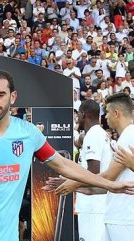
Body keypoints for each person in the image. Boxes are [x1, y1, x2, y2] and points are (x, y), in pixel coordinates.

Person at [0, 70, 133, 241]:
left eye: (1, 94)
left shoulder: (28, 133)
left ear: (12, 96)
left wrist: (110, 185)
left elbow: (63, 165)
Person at [52, 93, 134, 241]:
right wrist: (75, 186)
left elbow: (107, 176)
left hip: (122, 216)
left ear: (116, 113)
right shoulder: (125, 135)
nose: (105, 117)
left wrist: (75, 183)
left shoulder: (128, 136)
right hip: (115, 212)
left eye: (107, 112)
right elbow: (110, 182)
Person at [69, 100, 112, 241]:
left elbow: (93, 173)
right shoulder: (98, 133)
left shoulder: (93, 135)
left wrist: (71, 183)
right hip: (96, 203)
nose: (77, 119)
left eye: (78, 116)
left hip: (93, 205)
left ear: (83, 114)